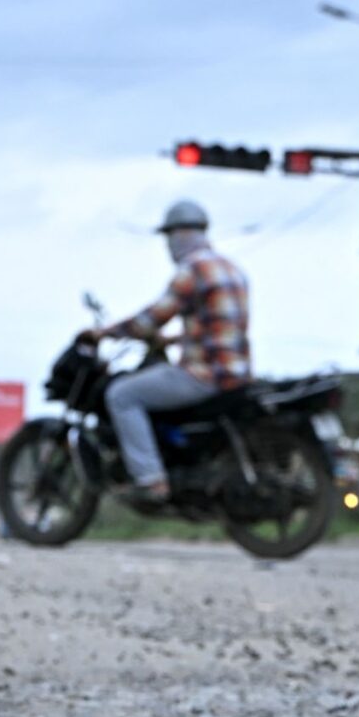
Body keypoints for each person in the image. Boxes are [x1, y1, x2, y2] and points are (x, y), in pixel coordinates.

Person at [84, 199, 250, 502]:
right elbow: (219, 327)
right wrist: (173, 340)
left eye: (169, 236)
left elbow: (152, 318)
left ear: (181, 234)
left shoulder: (193, 270)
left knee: (121, 394)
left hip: (204, 375)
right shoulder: (231, 268)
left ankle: (151, 480)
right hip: (237, 372)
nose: (168, 245)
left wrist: (108, 332)